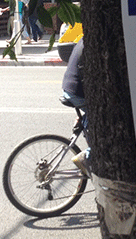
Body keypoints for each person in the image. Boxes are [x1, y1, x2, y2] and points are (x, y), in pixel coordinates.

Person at [61, 41, 89, 176]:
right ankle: (88, 156)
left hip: (70, 86)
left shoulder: (84, 37)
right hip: (77, 90)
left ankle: (85, 121)